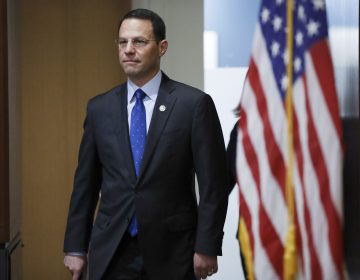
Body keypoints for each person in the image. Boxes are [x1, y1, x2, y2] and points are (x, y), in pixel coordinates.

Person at [63, 8, 228, 280]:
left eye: (139, 41)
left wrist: (207, 245)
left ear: (162, 47)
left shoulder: (193, 105)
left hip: (174, 250)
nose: (128, 49)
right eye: (122, 42)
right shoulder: (99, 108)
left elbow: (214, 185)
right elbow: (85, 184)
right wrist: (75, 246)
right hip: (113, 248)